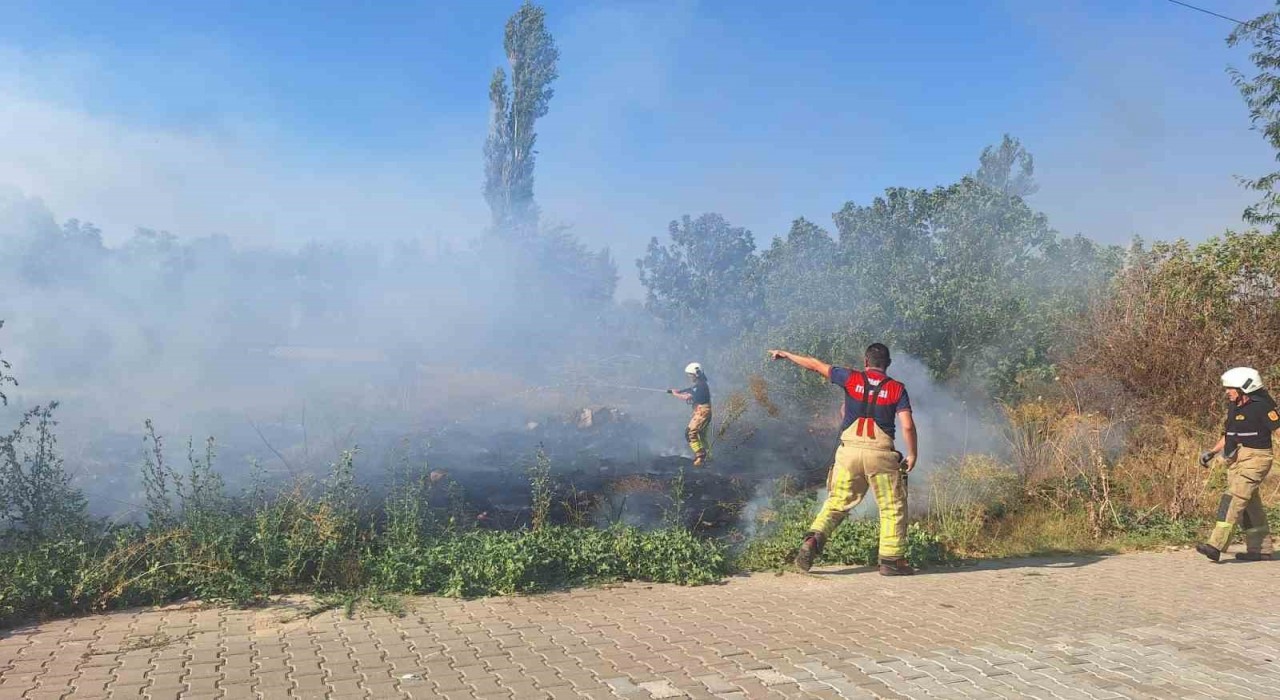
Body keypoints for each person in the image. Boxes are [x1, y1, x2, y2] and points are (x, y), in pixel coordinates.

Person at [769, 343, 919, 576]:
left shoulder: (851, 378)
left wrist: (787, 354)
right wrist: (912, 454)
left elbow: (815, 364)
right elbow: (907, 425)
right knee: (892, 507)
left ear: (865, 361)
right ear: (888, 364)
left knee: (837, 501)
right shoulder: (897, 389)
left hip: (848, 453)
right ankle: (891, 561)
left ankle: (812, 541)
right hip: (881, 455)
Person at [1195, 367, 1280, 562]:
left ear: (1245, 387)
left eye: (1231, 388)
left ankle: (1215, 545)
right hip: (1235, 459)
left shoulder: (1263, 406)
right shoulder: (1234, 406)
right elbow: (1229, 434)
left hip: (1256, 459)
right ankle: (1261, 549)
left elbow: (1278, 431)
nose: (1227, 391)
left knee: (1232, 499)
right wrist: (1212, 452)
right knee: (1250, 506)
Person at [668, 362, 712, 467]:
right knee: (701, 435)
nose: (689, 377)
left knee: (690, 433)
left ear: (695, 374)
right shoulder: (701, 384)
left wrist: (676, 394)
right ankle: (708, 456)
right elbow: (691, 390)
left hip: (702, 412)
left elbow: (688, 397)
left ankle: (700, 457)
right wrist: (679, 391)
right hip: (703, 411)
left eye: (690, 375)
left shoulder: (700, 386)